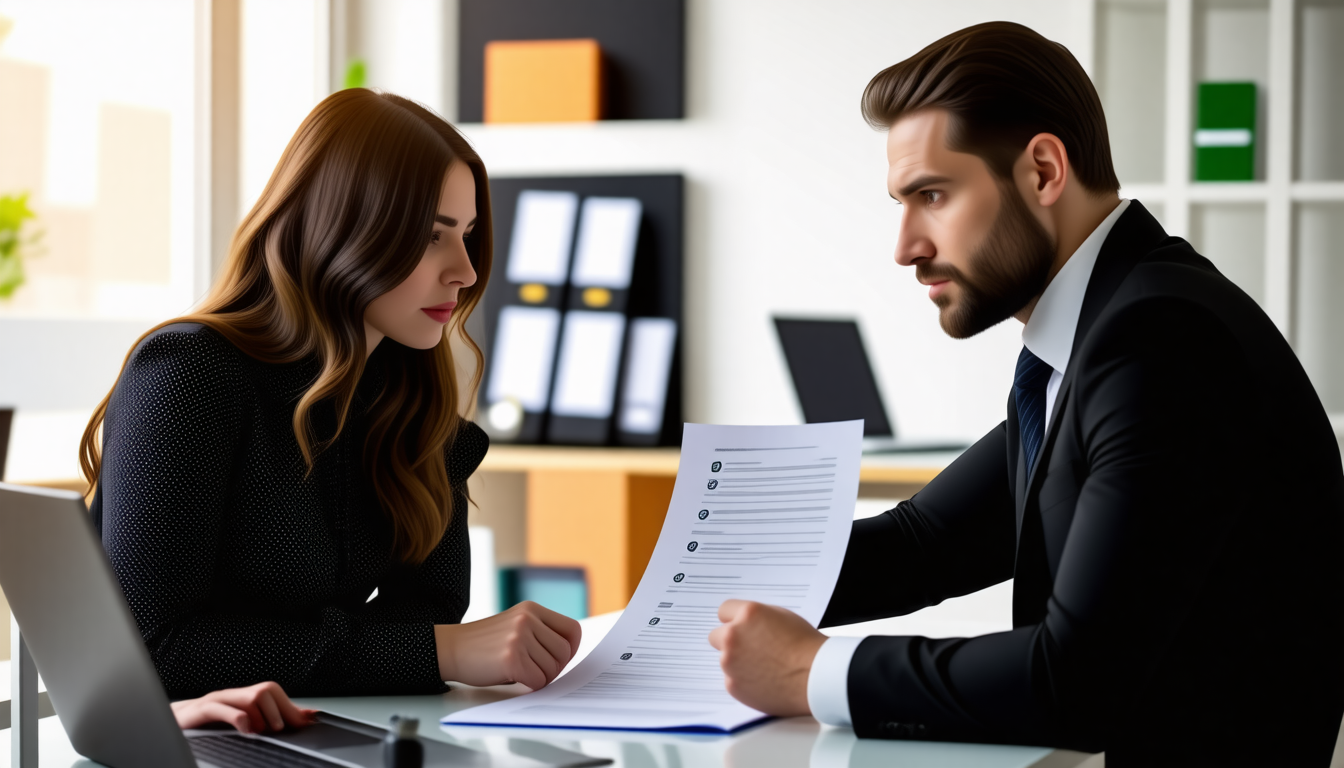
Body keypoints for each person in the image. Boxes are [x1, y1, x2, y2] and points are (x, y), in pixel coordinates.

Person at [708, 21, 1344, 767]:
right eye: (902, 203)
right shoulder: (1100, 333)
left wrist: (806, 671)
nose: (906, 247)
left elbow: (1074, 681)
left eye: (933, 195)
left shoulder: (1159, 343)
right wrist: (694, 582)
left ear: (1043, 171)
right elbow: (926, 544)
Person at [79, 89, 581, 706]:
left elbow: (429, 607)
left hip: (315, 724)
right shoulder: (189, 373)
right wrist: (440, 650)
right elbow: (152, 647)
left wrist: (416, 644)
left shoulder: (408, 393)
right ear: (340, 229)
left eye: (468, 235)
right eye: (431, 236)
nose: (467, 271)